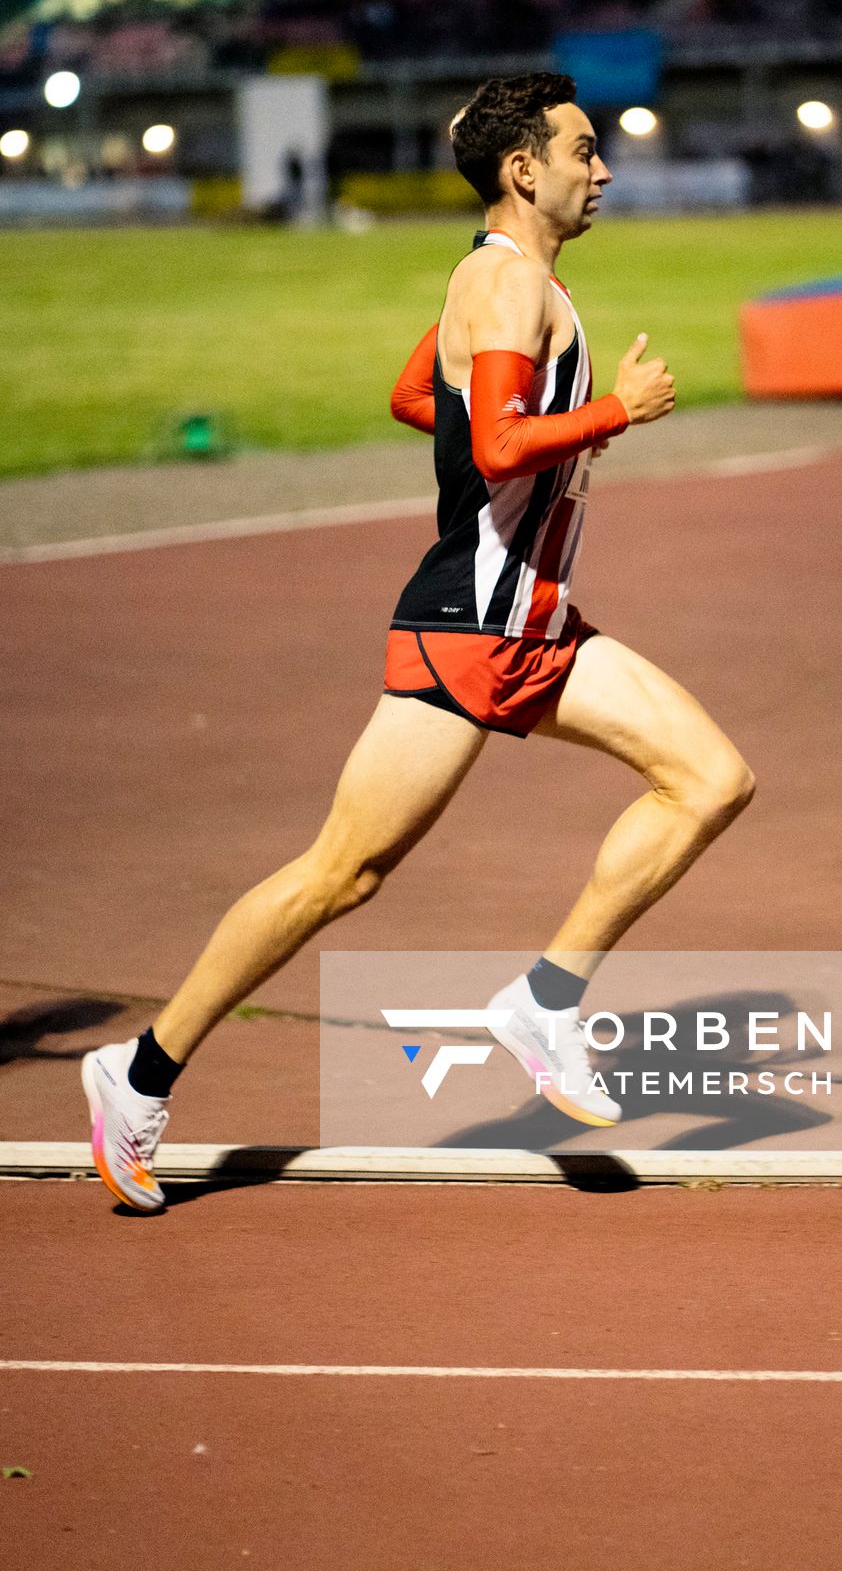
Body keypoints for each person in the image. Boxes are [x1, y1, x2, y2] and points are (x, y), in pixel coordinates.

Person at [81, 71, 755, 1211]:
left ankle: (544, 1000)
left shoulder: (514, 286)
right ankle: (136, 1075)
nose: (602, 169)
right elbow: (493, 448)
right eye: (582, 151)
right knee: (341, 875)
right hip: (467, 627)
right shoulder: (503, 289)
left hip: (529, 618)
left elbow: (418, 396)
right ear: (520, 170)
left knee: (709, 781)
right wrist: (608, 414)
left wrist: (521, 424)